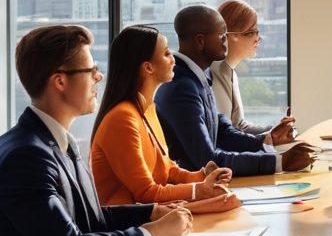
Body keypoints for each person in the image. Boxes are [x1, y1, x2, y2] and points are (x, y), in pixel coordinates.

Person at [0, 25, 192, 236]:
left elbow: (90, 219)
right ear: (60, 81)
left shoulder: (56, 141)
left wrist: (152, 212)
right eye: (90, 71)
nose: (99, 77)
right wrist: (152, 234)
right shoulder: (26, 156)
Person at [91, 25, 239, 212]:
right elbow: (146, 193)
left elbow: (167, 170)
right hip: (129, 224)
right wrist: (199, 190)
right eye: (167, 53)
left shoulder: (148, 109)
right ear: (148, 67)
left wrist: (203, 176)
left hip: (153, 215)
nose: (173, 59)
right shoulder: (122, 118)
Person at [155, 5, 315, 176]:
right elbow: (208, 161)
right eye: (222, 35)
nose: (226, 40)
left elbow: (222, 131)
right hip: (194, 186)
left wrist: (268, 139)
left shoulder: (198, 74)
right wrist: (280, 162)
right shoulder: (181, 86)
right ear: (201, 41)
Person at [211, 0, 295, 139]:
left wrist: (275, 130)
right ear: (232, 34)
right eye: (252, 32)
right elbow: (224, 133)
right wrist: (269, 137)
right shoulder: (214, 74)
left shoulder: (229, 72)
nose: (258, 38)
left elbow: (239, 125)